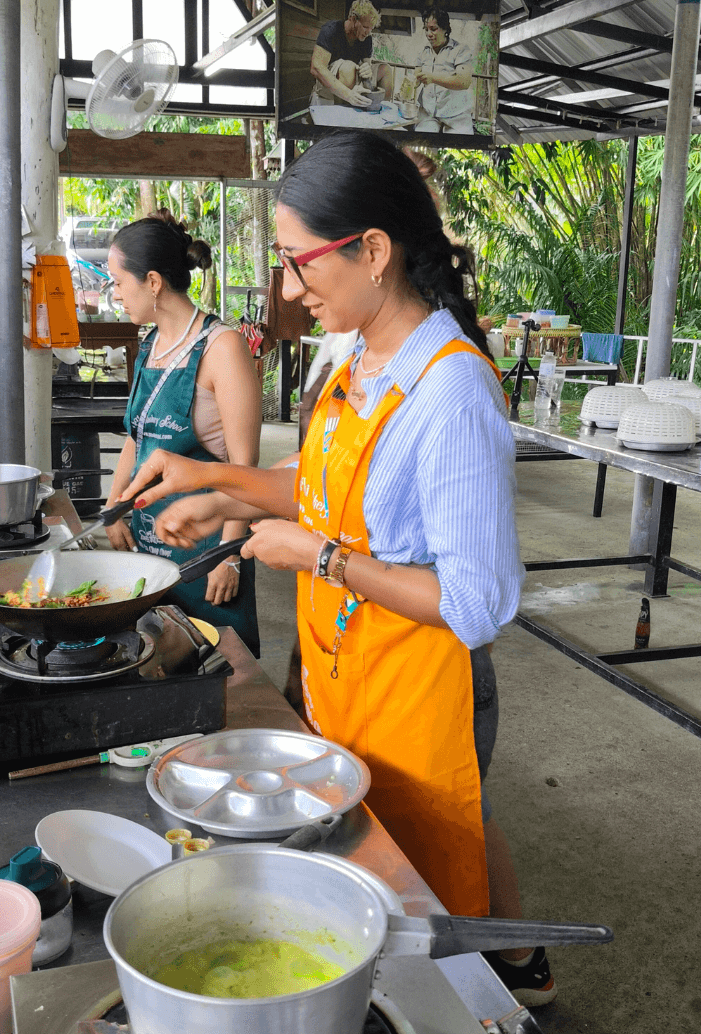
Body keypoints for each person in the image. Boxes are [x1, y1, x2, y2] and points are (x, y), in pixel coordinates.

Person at [118, 132, 522, 926]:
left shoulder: (452, 393)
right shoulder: (353, 360)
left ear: (373, 250)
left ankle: (513, 967)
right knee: (374, 864)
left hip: (419, 689)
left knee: (428, 872)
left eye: (301, 261)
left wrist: (322, 559)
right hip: (347, 672)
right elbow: (326, 488)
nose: (289, 286)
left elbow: (475, 602)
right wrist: (220, 486)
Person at [103, 210, 263, 656]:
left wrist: (229, 555)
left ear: (152, 281)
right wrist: (115, 506)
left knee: (216, 674)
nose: (114, 294)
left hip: (207, 559)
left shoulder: (221, 347)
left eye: (118, 282)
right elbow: (137, 436)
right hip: (151, 550)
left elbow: (245, 467)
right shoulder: (151, 343)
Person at [309, 0, 393, 111]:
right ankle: (345, 109)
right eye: (365, 26)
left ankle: (380, 111)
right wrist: (348, 95)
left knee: (385, 69)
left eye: (370, 28)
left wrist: (367, 69)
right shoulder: (331, 29)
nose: (368, 32)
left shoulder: (366, 38)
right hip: (328, 85)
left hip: (353, 80)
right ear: (353, 19)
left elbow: (366, 65)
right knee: (348, 67)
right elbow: (316, 68)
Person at [415, 7, 475, 135]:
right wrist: (412, 83)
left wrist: (432, 78)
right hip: (428, 113)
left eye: (433, 29)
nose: (428, 34)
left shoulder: (460, 50)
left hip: (456, 115)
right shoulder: (423, 52)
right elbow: (417, 75)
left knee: (460, 143)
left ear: (445, 29)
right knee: (422, 142)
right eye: (426, 29)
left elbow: (464, 82)